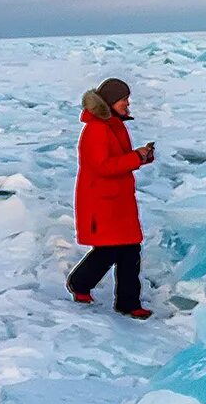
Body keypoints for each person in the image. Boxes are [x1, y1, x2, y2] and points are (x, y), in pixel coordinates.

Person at [66, 77, 156, 319]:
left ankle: (128, 303)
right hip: (103, 202)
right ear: (110, 102)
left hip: (117, 200)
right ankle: (80, 283)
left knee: (128, 251)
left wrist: (142, 157)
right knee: (110, 250)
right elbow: (103, 166)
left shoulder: (113, 125)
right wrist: (136, 157)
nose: (128, 104)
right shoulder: (96, 129)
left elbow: (118, 159)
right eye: (124, 100)